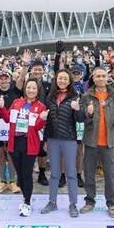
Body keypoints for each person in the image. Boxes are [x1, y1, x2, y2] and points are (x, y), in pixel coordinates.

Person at [79, 67, 114, 218]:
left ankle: (112, 203)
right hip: (91, 141)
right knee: (88, 173)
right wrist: (88, 113)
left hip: (109, 142)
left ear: (108, 78)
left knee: (110, 175)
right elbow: (82, 119)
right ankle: (89, 201)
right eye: (97, 76)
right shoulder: (86, 96)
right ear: (93, 78)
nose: (100, 78)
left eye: (103, 76)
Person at [0, 79, 48, 216]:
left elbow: (37, 127)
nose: (31, 90)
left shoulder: (41, 107)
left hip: (30, 143)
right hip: (15, 142)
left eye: (34, 88)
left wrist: (42, 119)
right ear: (25, 89)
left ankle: (27, 202)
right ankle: (24, 192)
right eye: (29, 87)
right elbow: (7, 119)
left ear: (38, 91)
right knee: (20, 174)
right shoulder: (16, 103)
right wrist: (2, 108)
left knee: (26, 174)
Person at [41, 69, 85, 218]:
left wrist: (78, 109)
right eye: (60, 78)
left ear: (70, 81)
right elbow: (46, 121)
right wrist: (45, 140)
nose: (62, 81)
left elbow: (80, 119)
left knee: (71, 173)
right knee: (54, 173)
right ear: (56, 80)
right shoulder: (50, 97)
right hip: (53, 139)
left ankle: (73, 203)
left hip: (69, 139)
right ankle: (52, 202)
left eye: (65, 79)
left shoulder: (74, 96)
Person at [17, 51, 51, 186]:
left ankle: (42, 174)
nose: (37, 71)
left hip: (42, 121)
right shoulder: (26, 84)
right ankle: (24, 176)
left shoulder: (47, 85)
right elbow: (19, 83)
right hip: (25, 121)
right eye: (35, 69)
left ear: (43, 71)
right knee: (25, 150)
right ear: (31, 70)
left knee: (42, 150)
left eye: (40, 69)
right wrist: (25, 64)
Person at [0, 69, 22, 194]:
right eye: (1, 78)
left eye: (6, 78)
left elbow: (21, 79)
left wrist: (25, 66)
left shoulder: (15, 90)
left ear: (10, 79)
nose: (4, 80)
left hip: (12, 127)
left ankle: (12, 180)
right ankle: (3, 180)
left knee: (11, 153)